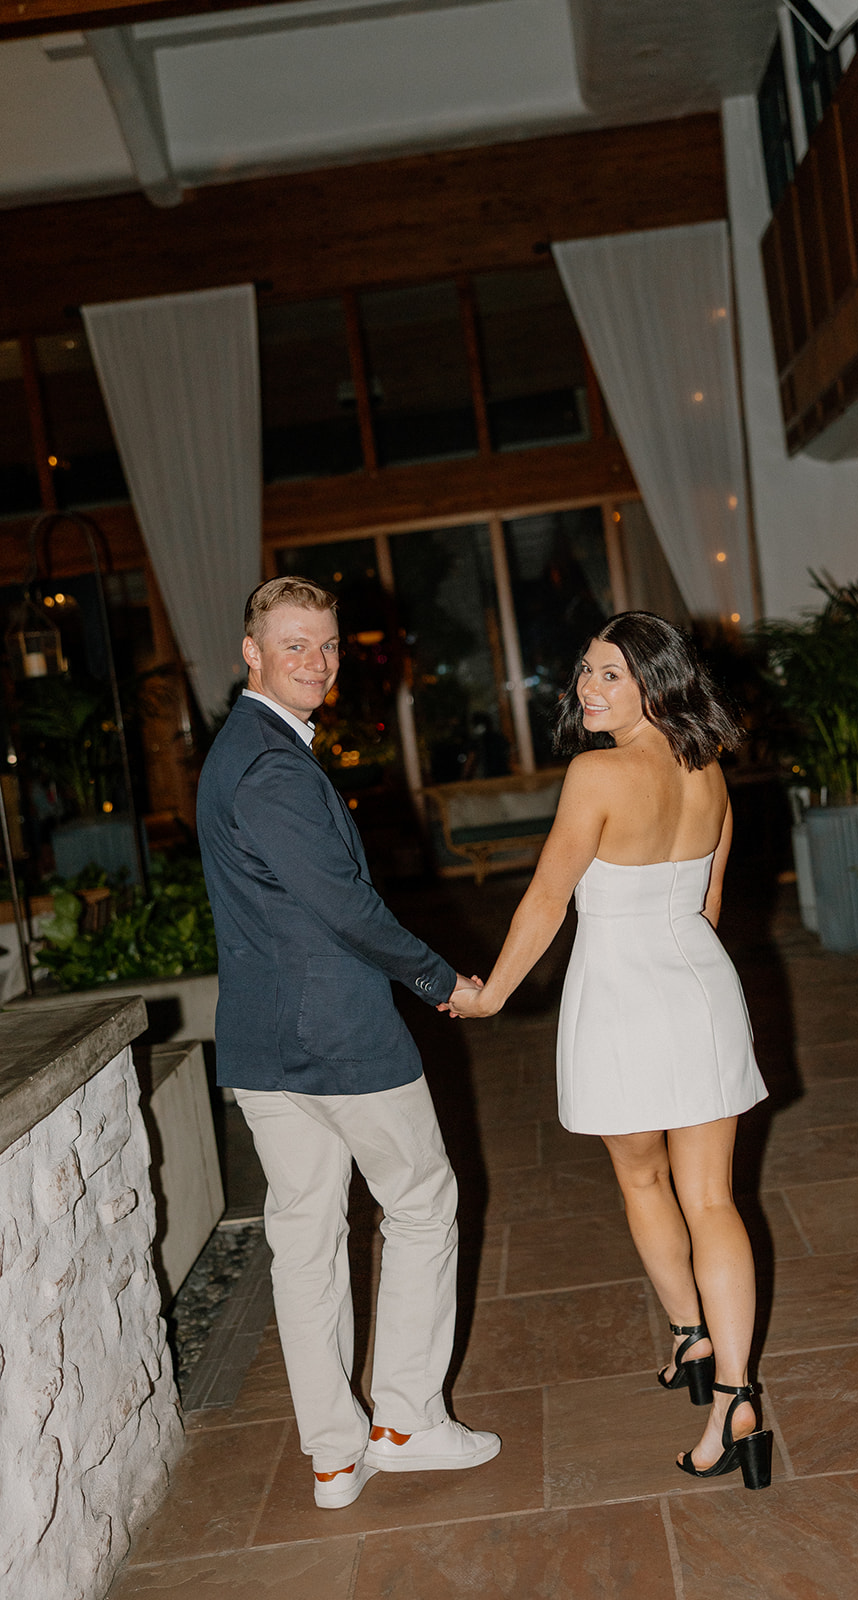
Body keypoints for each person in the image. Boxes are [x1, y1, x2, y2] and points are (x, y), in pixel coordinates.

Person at [446, 611, 772, 1487]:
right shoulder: (707, 771)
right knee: (713, 1199)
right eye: (586, 671)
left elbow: (547, 899)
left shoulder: (596, 774)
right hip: (698, 985)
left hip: (621, 993)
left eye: (610, 676)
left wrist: (493, 995)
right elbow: (707, 902)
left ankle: (691, 1336)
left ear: (654, 684)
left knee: (642, 1178)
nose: (588, 689)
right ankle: (733, 1395)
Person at [196, 576, 500, 1510]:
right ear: (252, 652)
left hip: (261, 1043)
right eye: (295, 645)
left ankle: (334, 1457)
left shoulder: (236, 750)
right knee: (418, 1203)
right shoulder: (275, 768)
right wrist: (441, 978)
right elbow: (345, 910)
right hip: (336, 1038)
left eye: (327, 646)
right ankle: (403, 1423)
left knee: (306, 1239)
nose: (317, 663)